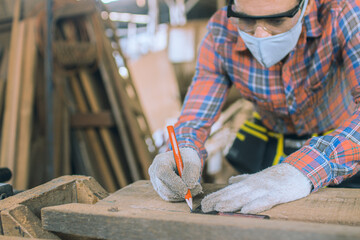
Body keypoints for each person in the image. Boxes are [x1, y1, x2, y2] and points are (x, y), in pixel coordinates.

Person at [149, 0, 360, 214]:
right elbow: (196, 115)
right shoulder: (221, 32)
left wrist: (305, 168)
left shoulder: (342, 14)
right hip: (271, 141)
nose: (260, 36)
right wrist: (184, 149)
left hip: (341, 142)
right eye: (247, 20)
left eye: (277, 21)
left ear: (305, 5)